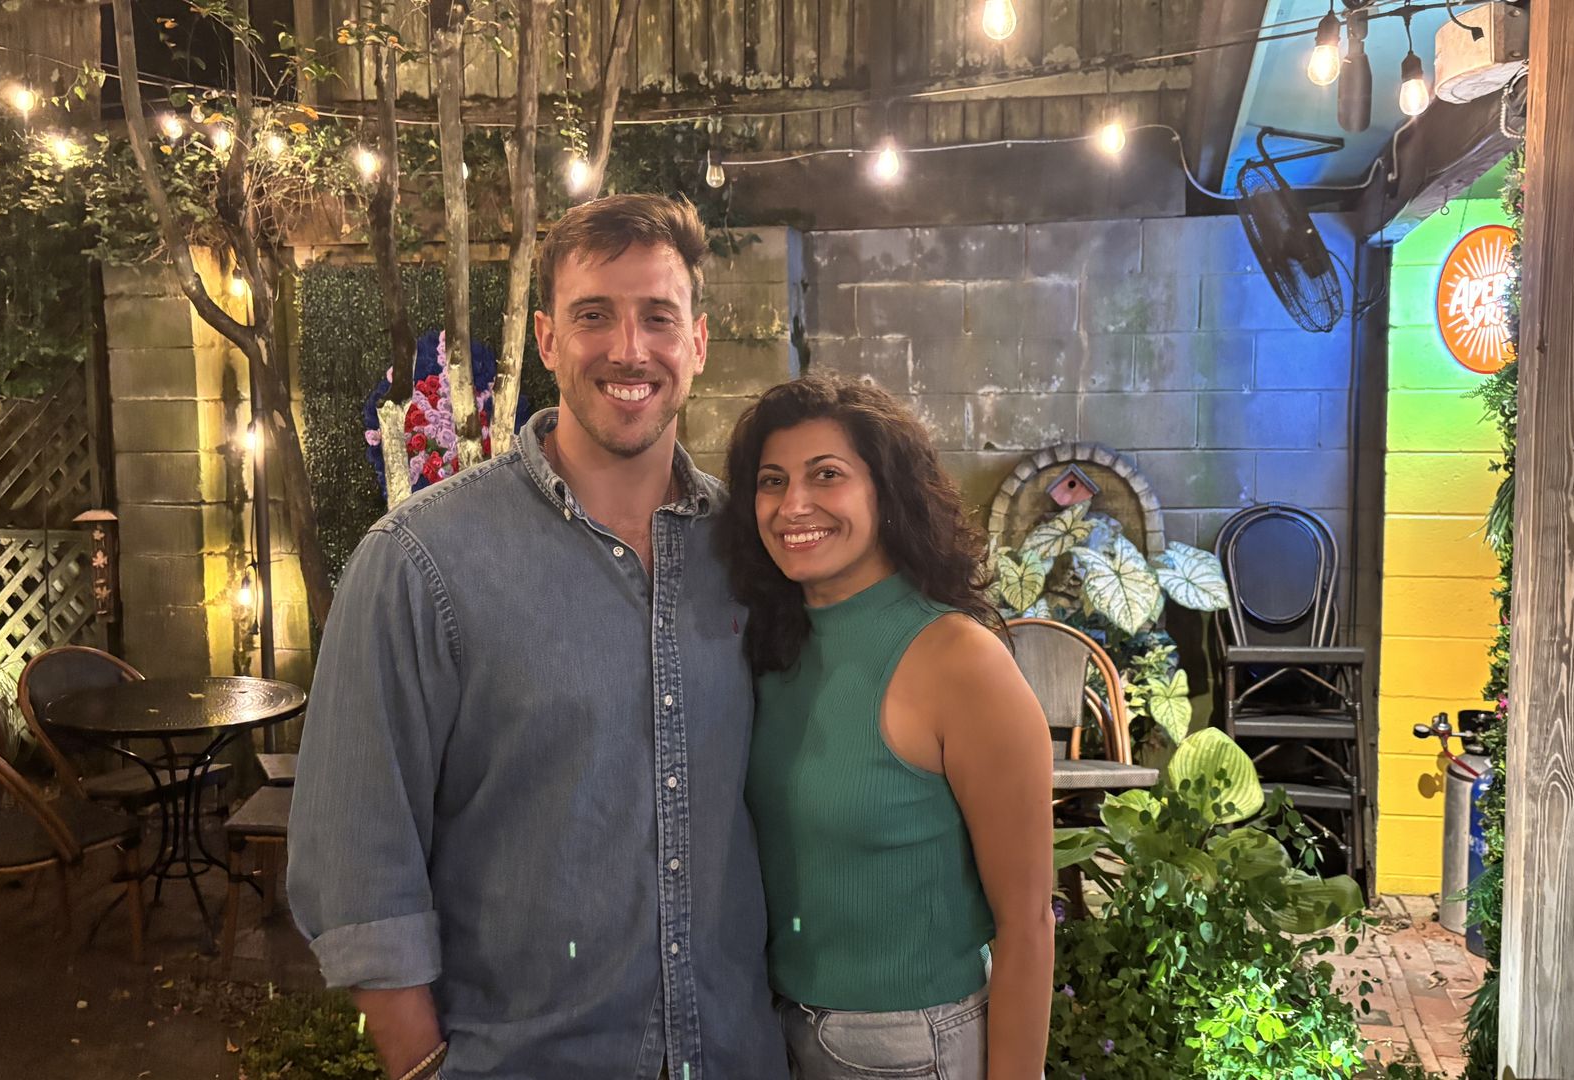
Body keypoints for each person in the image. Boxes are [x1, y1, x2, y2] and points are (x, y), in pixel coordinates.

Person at [287, 194, 784, 1080]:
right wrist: (422, 1066)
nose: (629, 350)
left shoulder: (749, 552)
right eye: (595, 316)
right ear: (549, 340)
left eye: (658, 318)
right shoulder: (421, 562)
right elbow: (356, 864)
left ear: (698, 344)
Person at [717, 374, 1056, 1079]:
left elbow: (1026, 927)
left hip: (909, 1048)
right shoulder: (771, 650)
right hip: (771, 1033)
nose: (793, 505)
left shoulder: (961, 662)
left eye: (827, 475)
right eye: (772, 481)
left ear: (888, 495)